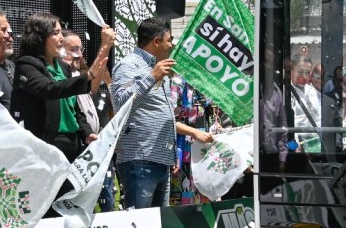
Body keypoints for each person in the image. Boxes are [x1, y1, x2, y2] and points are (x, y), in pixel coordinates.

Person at [111, 17, 213, 210]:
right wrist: (151, 77)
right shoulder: (129, 65)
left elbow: (163, 114)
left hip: (161, 158)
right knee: (139, 224)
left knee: (159, 226)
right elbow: (119, 102)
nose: (172, 44)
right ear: (156, 41)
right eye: (169, 40)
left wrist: (171, 151)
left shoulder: (159, 68)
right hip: (139, 157)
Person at [12, 13, 112, 163]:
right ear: (40, 37)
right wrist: (90, 73)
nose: (61, 38)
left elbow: (74, 109)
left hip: (72, 143)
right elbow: (48, 89)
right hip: (47, 143)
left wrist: (86, 132)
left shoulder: (63, 67)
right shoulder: (27, 64)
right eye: (55, 33)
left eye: (61, 32)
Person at [62, 29, 116, 211]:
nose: (79, 55)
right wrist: (105, 45)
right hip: (70, 153)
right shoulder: (62, 80)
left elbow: (92, 83)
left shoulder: (77, 76)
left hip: (88, 148)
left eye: (81, 49)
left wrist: (106, 48)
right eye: (73, 49)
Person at [259, 50, 289, 169]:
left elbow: (282, 127)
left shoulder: (277, 93)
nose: (265, 65)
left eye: (269, 62)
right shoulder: (248, 89)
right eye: (263, 61)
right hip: (249, 157)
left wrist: (282, 159)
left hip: (271, 154)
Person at [289, 54, 322, 149]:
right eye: (300, 72)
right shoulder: (287, 92)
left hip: (315, 142)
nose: (304, 76)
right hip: (298, 143)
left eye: (307, 73)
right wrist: (294, 145)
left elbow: (319, 116)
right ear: (291, 71)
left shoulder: (312, 91)